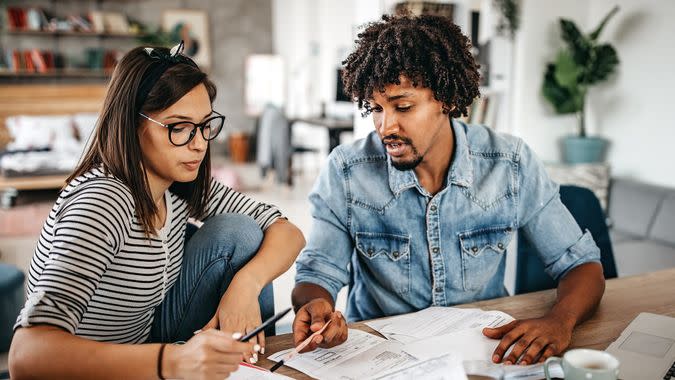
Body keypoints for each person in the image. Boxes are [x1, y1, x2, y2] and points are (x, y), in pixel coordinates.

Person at [291, 14, 605, 366]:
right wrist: (317, 307)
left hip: (485, 353)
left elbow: (581, 266)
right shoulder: (347, 171)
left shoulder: (509, 163)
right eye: (376, 109)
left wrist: (559, 321)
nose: (385, 126)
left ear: (447, 100)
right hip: (383, 359)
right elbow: (316, 275)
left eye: (403, 106)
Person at [9, 42, 305, 379]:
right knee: (239, 233)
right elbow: (24, 357)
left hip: (146, 344)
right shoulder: (102, 202)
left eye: (205, 125)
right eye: (178, 128)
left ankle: (252, 368)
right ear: (132, 124)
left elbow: (288, 232)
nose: (199, 144)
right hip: (94, 369)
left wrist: (246, 286)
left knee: (242, 232)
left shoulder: (179, 184)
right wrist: (172, 362)